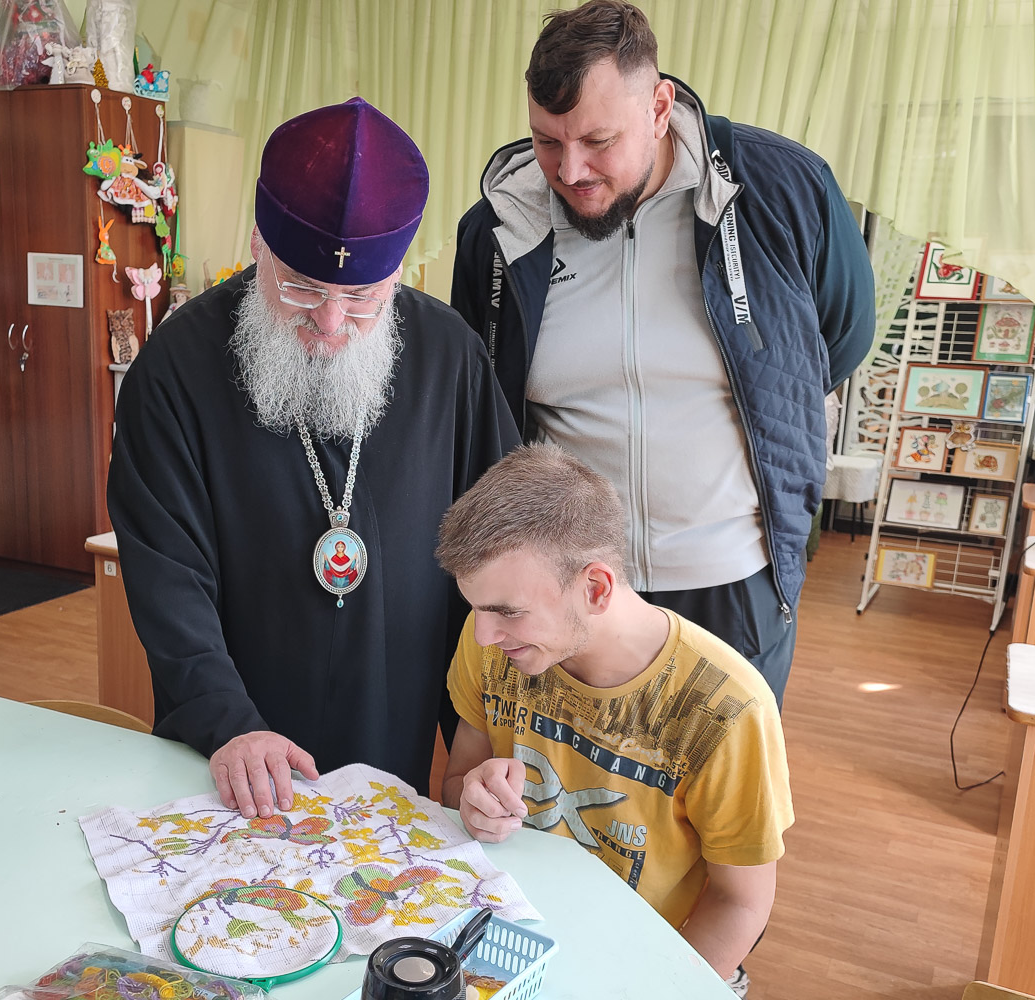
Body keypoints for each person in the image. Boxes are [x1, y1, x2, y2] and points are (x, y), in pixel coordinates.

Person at [450, 0, 874, 708]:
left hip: (732, 579)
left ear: (658, 106)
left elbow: (837, 337)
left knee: (717, 774)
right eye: (548, 141)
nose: (571, 169)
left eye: (598, 140)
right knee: (571, 777)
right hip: (572, 584)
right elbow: (486, 394)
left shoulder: (782, 189)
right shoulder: (499, 230)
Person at [109, 97, 518, 820]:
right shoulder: (175, 369)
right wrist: (227, 720)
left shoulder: (449, 358)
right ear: (259, 244)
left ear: (398, 273)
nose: (329, 323)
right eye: (300, 287)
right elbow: (166, 574)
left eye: (361, 296)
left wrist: (479, 744)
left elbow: (502, 552)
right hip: (227, 754)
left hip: (391, 723)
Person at [436, 444, 792, 997]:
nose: (484, 634)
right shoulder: (492, 644)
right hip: (508, 942)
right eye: (476, 608)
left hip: (647, 963)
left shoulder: (728, 708)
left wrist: (667, 988)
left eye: (508, 611)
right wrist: (472, 801)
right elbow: (457, 782)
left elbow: (740, 902)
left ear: (596, 588)